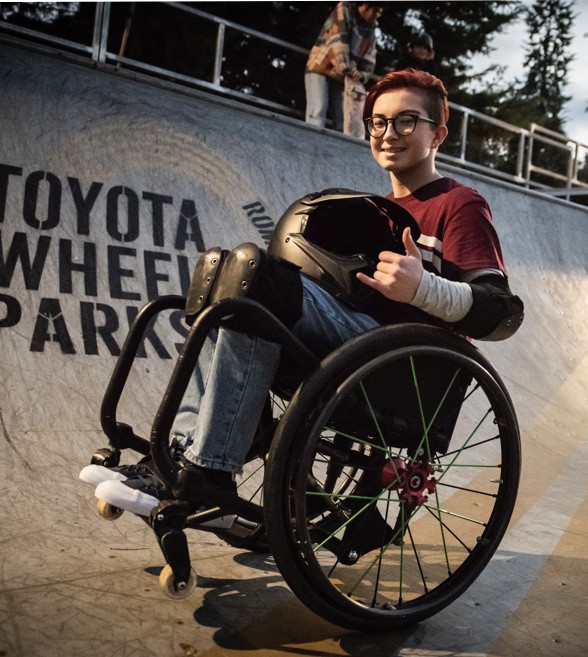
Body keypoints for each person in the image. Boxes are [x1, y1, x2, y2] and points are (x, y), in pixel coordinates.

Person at [82, 69, 523, 517]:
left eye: (407, 121)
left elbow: (503, 312)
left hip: (403, 370)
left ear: (439, 134)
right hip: (356, 346)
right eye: (378, 121)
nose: (389, 134)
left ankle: (209, 469)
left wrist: (423, 288)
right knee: (224, 275)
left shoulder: (458, 203)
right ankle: (180, 455)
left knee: (255, 273)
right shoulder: (374, 209)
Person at [304, 2, 383, 135]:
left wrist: (362, 74)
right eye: (376, 11)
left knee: (344, 119)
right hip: (321, 67)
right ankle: (309, 147)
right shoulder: (345, 8)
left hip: (343, 77)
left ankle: (339, 152)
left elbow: (370, 54)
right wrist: (347, 68)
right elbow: (337, 40)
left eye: (379, 13)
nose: (376, 16)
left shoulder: (371, 26)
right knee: (317, 110)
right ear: (366, 5)